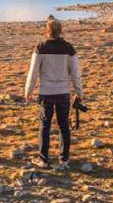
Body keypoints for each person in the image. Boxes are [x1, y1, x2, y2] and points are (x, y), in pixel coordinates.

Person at [25, 18, 83, 168]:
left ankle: (43, 159)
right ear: (61, 31)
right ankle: (64, 159)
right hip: (63, 93)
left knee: (44, 126)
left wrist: (28, 90)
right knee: (64, 125)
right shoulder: (69, 48)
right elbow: (76, 73)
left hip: (46, 93)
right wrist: (79, 92)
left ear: (47, 31)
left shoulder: (40, 47)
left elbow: (33, 72)